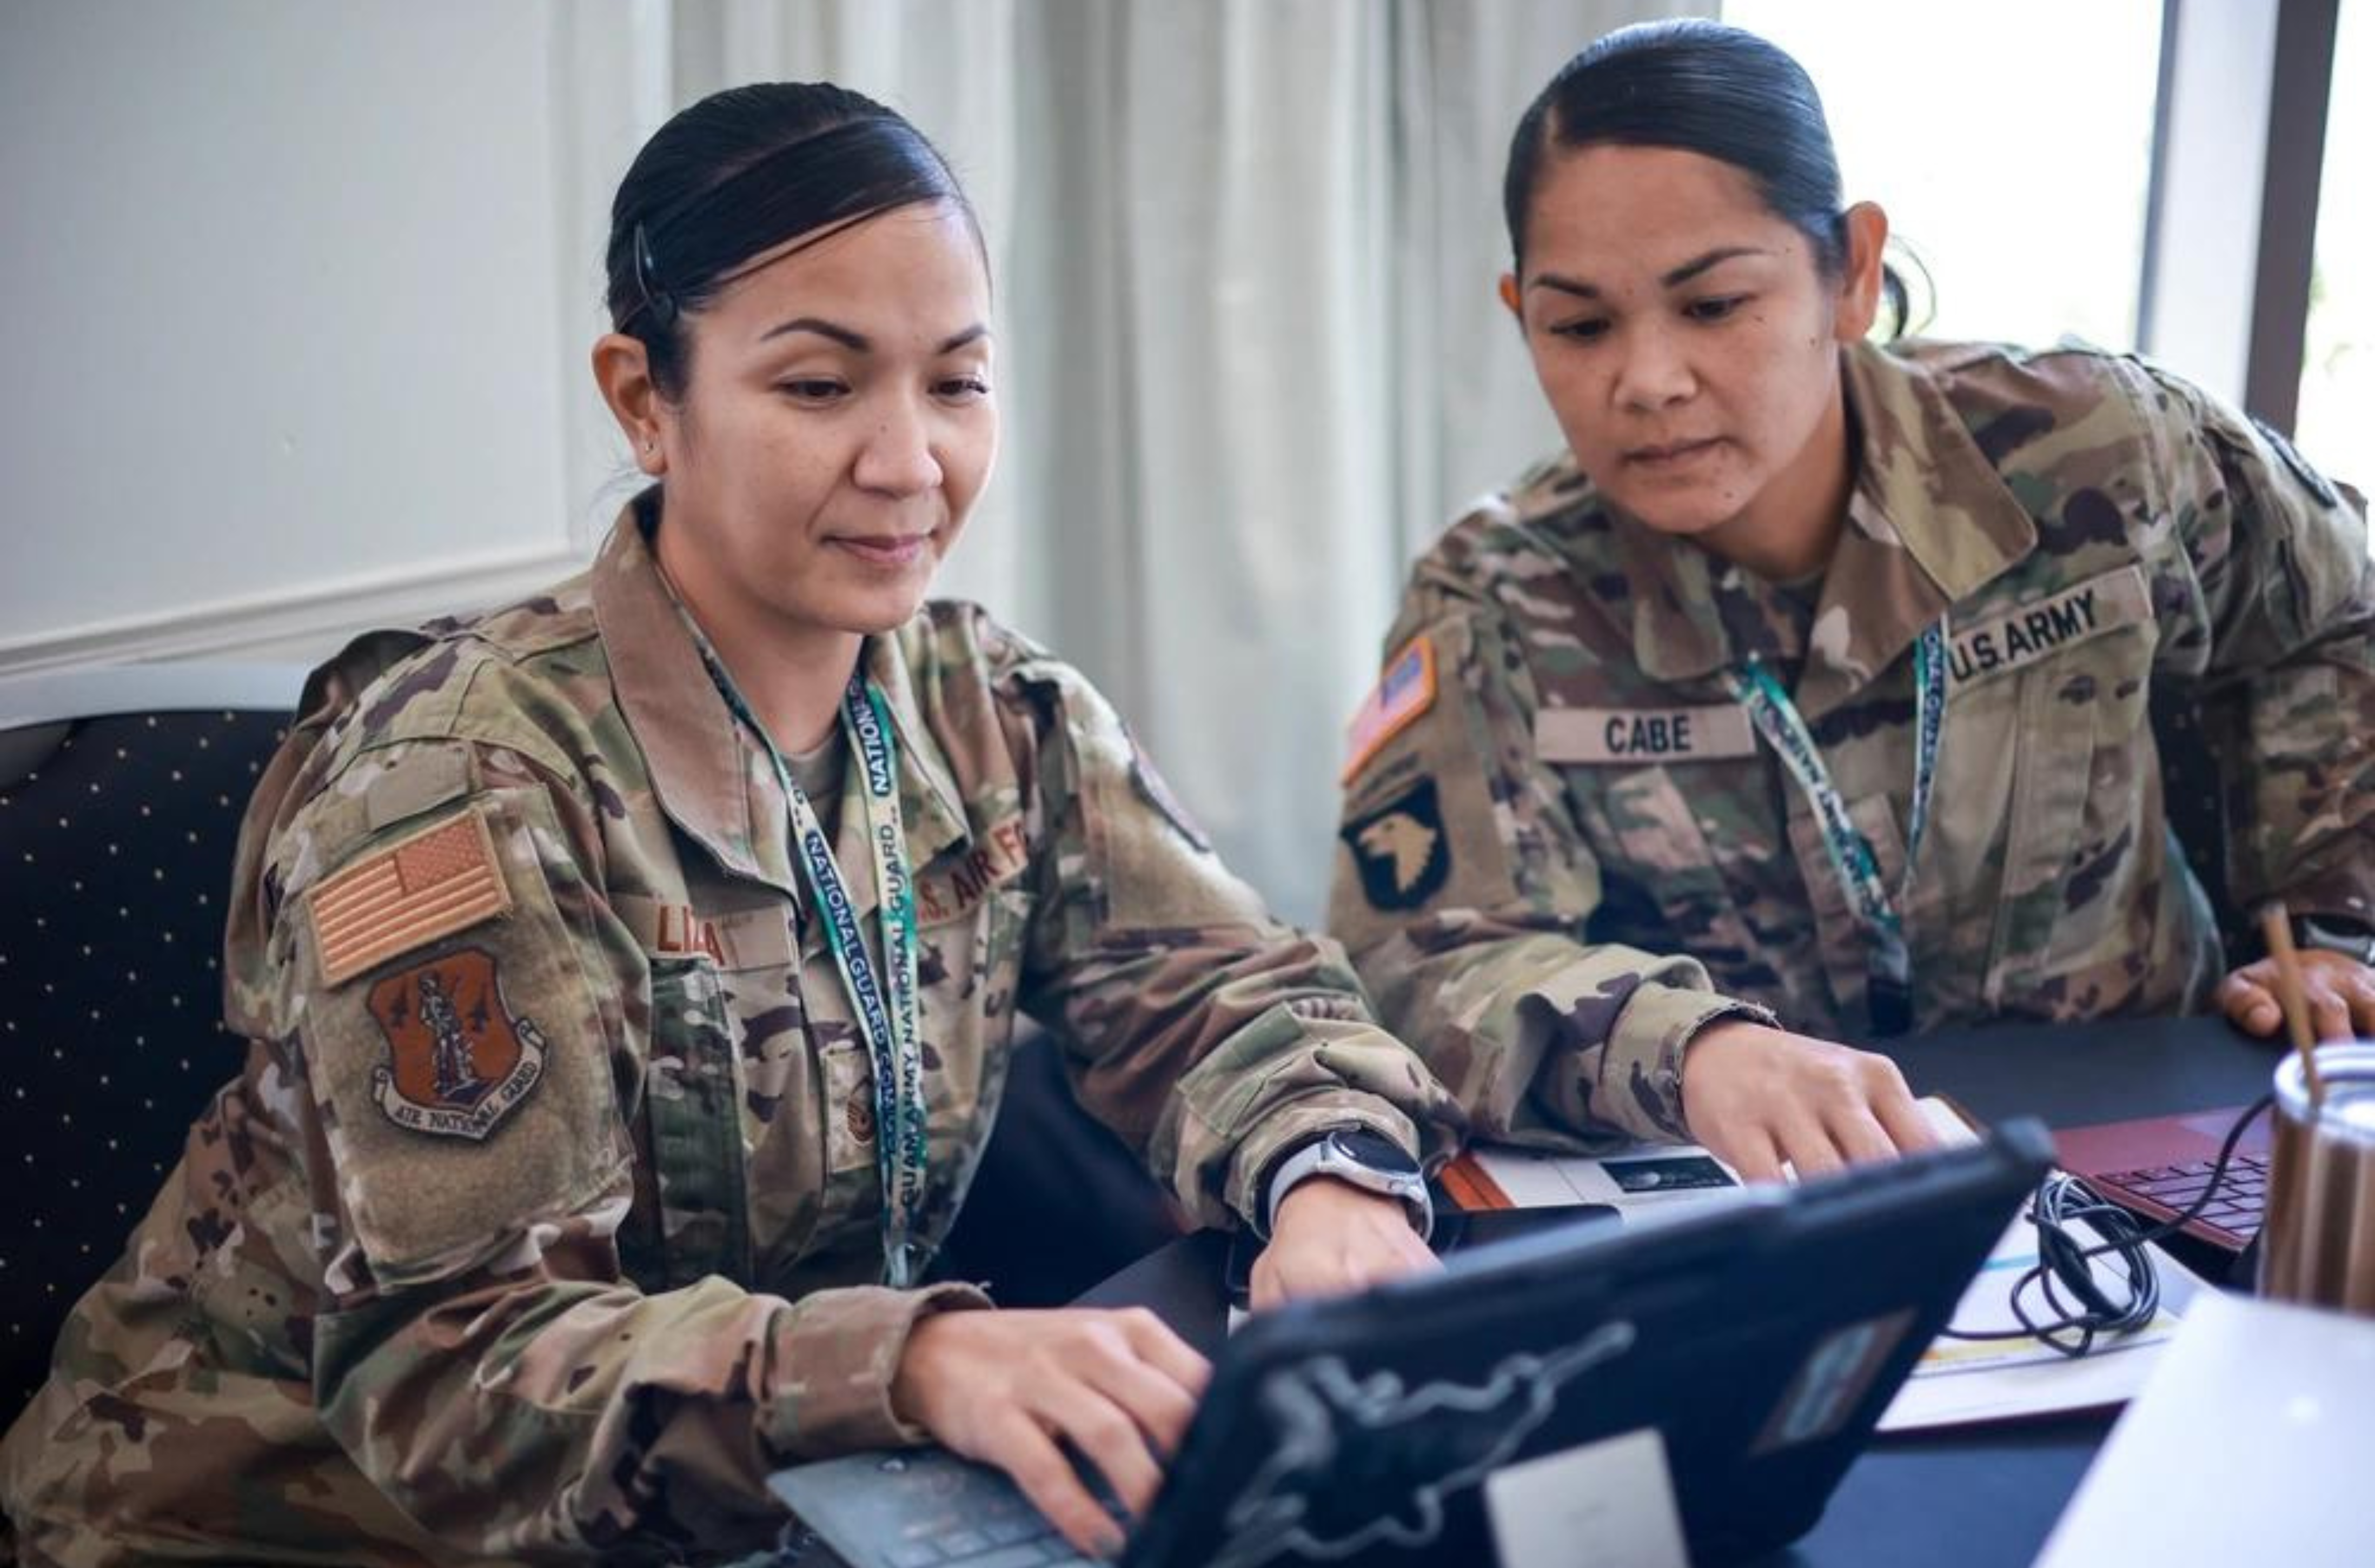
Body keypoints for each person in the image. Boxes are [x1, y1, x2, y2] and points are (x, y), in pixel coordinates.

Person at [2, 83, 1462, 1566]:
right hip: (282, 1527)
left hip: (759, 1510)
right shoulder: (460, 784)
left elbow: (1232, 990)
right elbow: (456, 1377)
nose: (909, 463)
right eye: (821, 388)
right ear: (645, 399)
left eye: (955, 383)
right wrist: (919, 1363)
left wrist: (1329, 1177)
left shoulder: (988, 709)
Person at [1330, 19, 2375, 1184]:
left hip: (2149, 1131)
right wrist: (1695, 1052)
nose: (1648, 380)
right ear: (1520, 312)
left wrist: (2333, 923)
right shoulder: (1495, 599)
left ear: (1854, 274)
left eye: (1714, 304)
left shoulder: (2098, 457)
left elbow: (2337, 618)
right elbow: (1426, 955)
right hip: (1771, 1190)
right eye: (1579, 325)